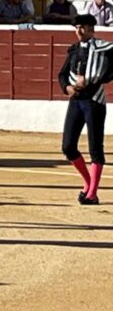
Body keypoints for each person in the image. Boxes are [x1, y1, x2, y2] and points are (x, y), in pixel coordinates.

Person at [58, 14, 113, 205]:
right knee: (67, 146)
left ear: (91, 29)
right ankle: (88, 182)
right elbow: (63, 75)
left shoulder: (105, 48)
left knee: (95, 147)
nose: (78, 31)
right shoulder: (73, 50)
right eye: (76, 27)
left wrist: (98, 79)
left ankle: (92, 193)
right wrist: (67, 88)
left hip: (94, 100)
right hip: (76, 100)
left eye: (82, 27)